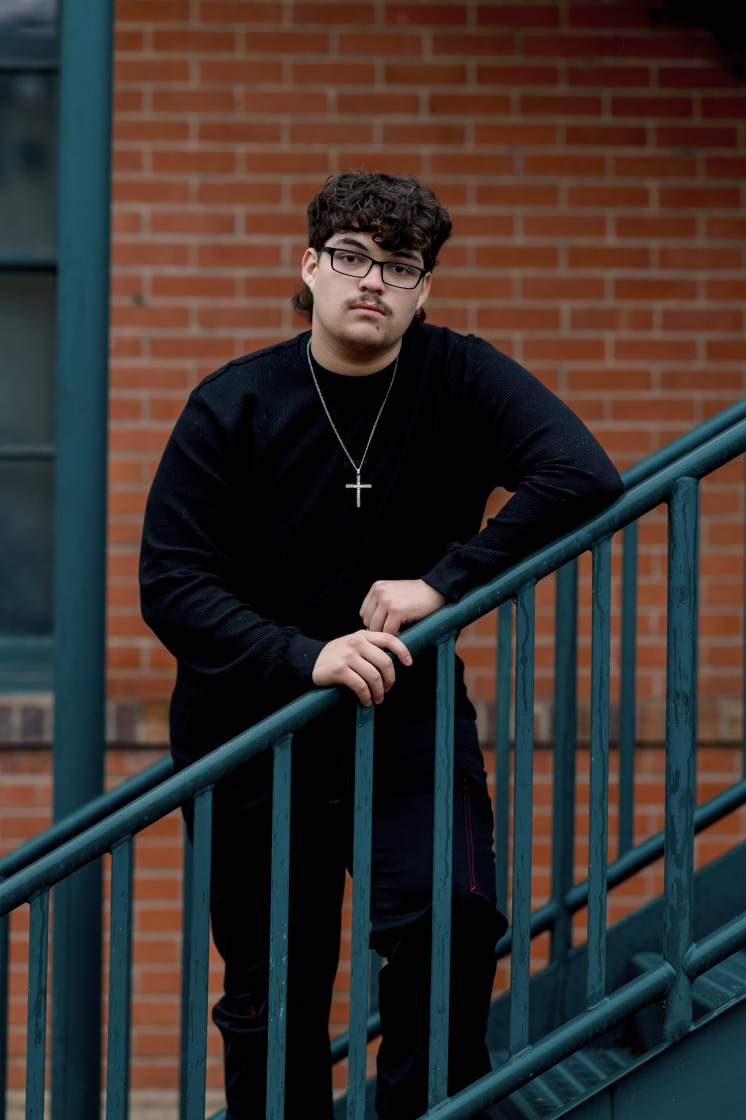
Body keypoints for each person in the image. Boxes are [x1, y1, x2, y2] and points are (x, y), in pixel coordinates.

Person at [140, 170, 623, 1120]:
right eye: (353, 257)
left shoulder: (459, 376)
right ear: (310, 266)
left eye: (400, 267)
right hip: (252, 731)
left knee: (455, 914)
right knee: (274, 994)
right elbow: (173, 584)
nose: (374, 282)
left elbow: (582, 475)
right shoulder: (233, 405)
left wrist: (444, 581)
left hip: (404, 716)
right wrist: (304, 655)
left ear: (423, 288)